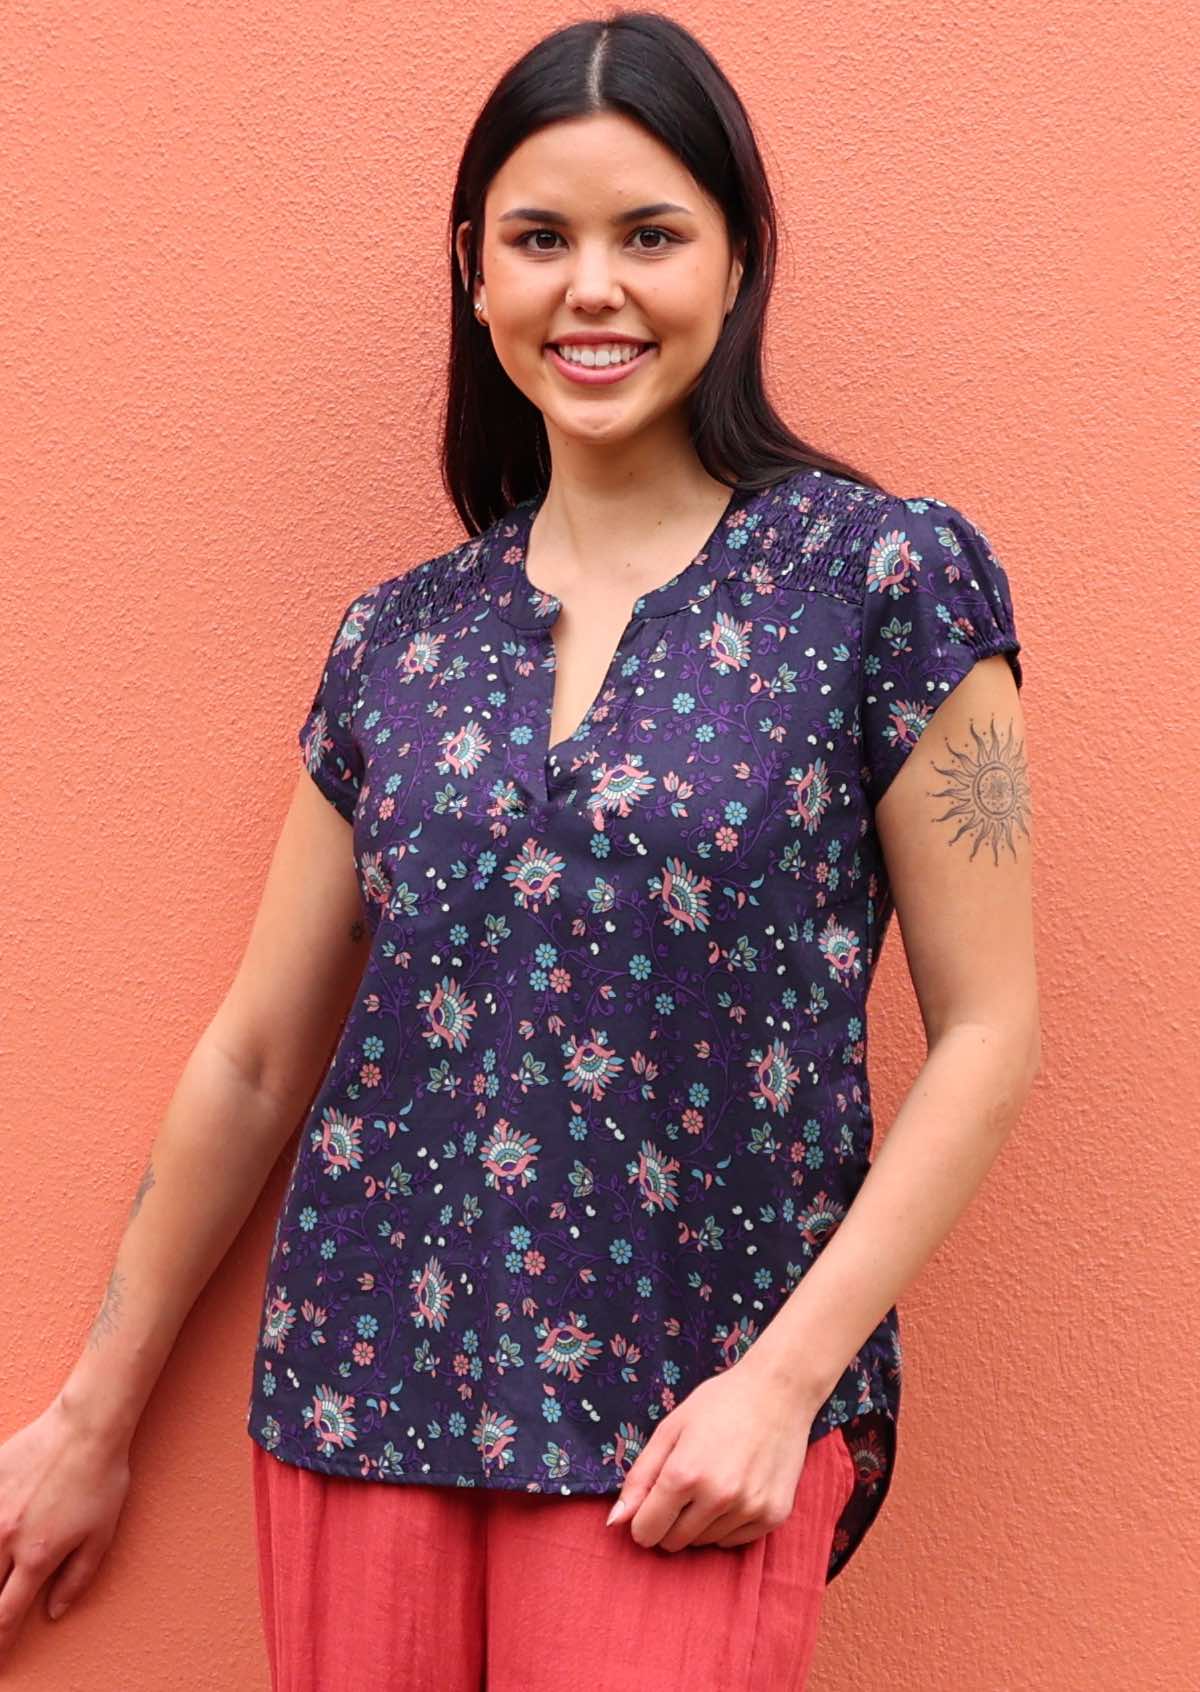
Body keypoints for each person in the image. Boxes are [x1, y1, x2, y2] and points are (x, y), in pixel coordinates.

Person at [0, 10, 1040, 1689]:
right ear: (475, 275)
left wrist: (784, 1386)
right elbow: (259, 1058)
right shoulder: (398, 641)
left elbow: (991, 1030)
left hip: (687, 1426)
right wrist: (88, 1417)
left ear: (738, 260)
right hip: (362, 1399)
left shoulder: (884, 585)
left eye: (651, 236)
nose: (593, 289)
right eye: (541, 239)